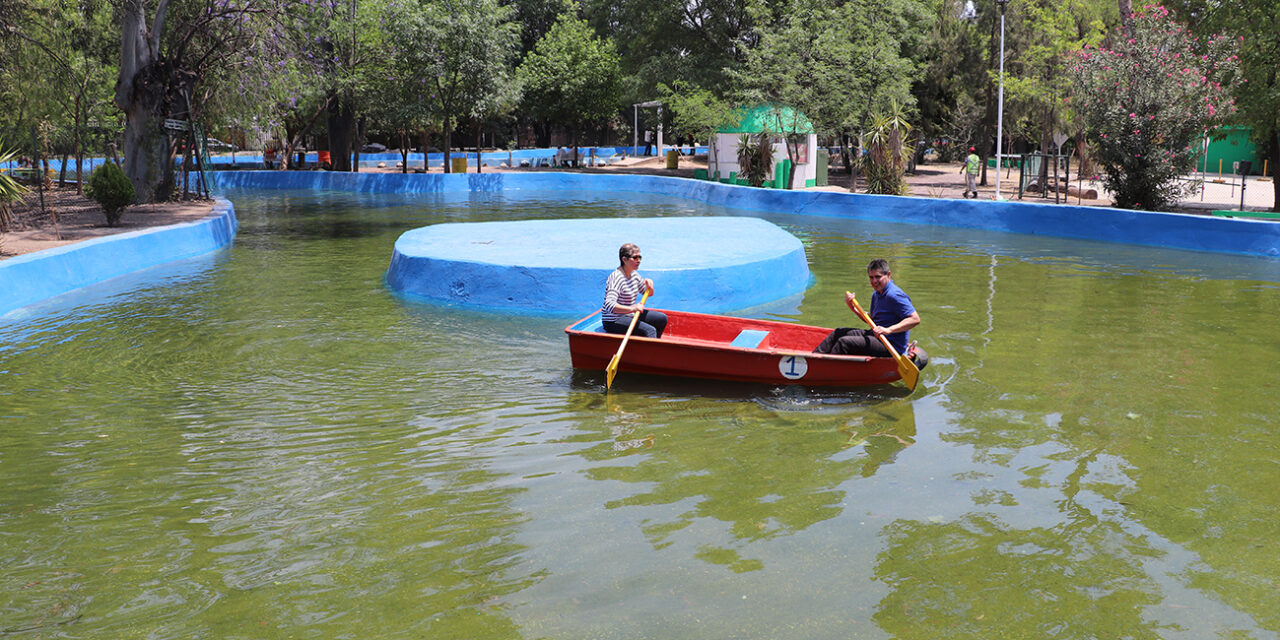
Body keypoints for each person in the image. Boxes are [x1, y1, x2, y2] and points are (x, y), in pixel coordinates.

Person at [813, 258, 924, 366]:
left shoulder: (894, 295)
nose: (874, 281)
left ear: (888, 275)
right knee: (838, 332)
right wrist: (852, 307)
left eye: (878, 277)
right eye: (871, 277)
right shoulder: (876, 294)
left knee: (844, 342)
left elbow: (915, 319)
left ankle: (824, 369)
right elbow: (872, 319)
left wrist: (888, 330)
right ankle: (813, 360)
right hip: (876, 336)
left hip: (891, 345)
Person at [602, 243, 667, 339]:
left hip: (629, 314)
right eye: (635, 257)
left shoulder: (634, 275)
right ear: (624, 259)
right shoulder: (616, 278)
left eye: (640, 257)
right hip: (614, 320)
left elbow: (647, 293)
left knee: (661, 318)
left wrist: (650, 286)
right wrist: (633, 308)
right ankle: (650, 347)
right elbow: (609, 305)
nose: (639, 261)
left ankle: (654, 344)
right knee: (650, 330)